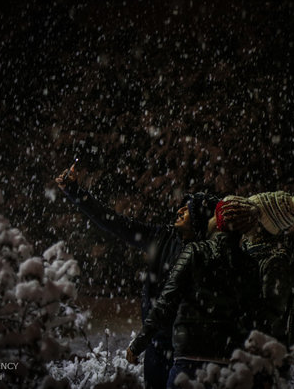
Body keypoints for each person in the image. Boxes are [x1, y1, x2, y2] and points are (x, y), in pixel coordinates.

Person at [55, 164, 219, 389]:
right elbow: (114, 222)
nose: (180, 211)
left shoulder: (209, 254)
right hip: (157, 343)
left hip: (189, 349)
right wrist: (75, 192)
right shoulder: (162, 238)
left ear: (200, 219)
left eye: (188, 209)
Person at [126, 197, 261, 389]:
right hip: (226, 361)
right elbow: (251, 317)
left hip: (188, 357)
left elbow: (166, 301)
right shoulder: (250, 265)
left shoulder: (195, 252)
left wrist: (138, 344)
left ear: (220, 220)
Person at [244, 191, 294, 348]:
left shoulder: (276, 262)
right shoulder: (255, 253)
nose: (244, 218)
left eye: (250, 213)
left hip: (266, 355)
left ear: (262, 223)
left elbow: (270, 316)